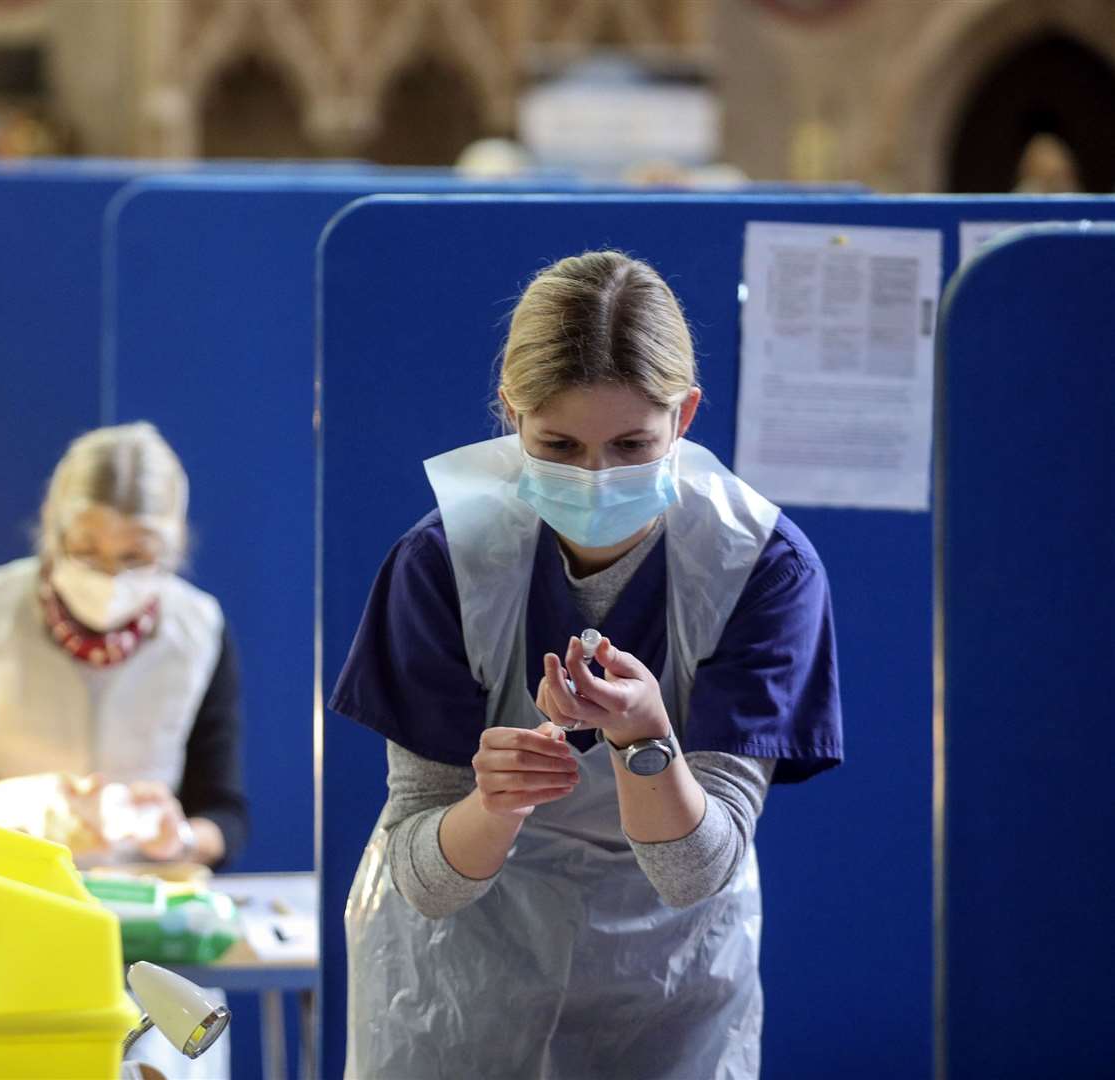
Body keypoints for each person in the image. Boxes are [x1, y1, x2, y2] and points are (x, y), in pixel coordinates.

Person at [330, 252, 843, 1078]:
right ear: (511, 414)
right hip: (459, 986)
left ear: (686, 416)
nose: (595, 479)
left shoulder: (760, 568)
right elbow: (425, 879)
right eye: (559, 444)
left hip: (667, 989)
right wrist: (494, 805)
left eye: (632, 444)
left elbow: (695, 871)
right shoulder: (445, 563)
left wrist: (646, 742)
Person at [0, 422, 248, 870]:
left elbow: (224, 815)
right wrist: (34, 807)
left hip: (143, 895)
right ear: (54, 531)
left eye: (136, 556)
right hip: (7, 884)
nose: (110, 577)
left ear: (172, 548)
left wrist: (180, 836)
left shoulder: (200, 629)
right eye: (86, 551)